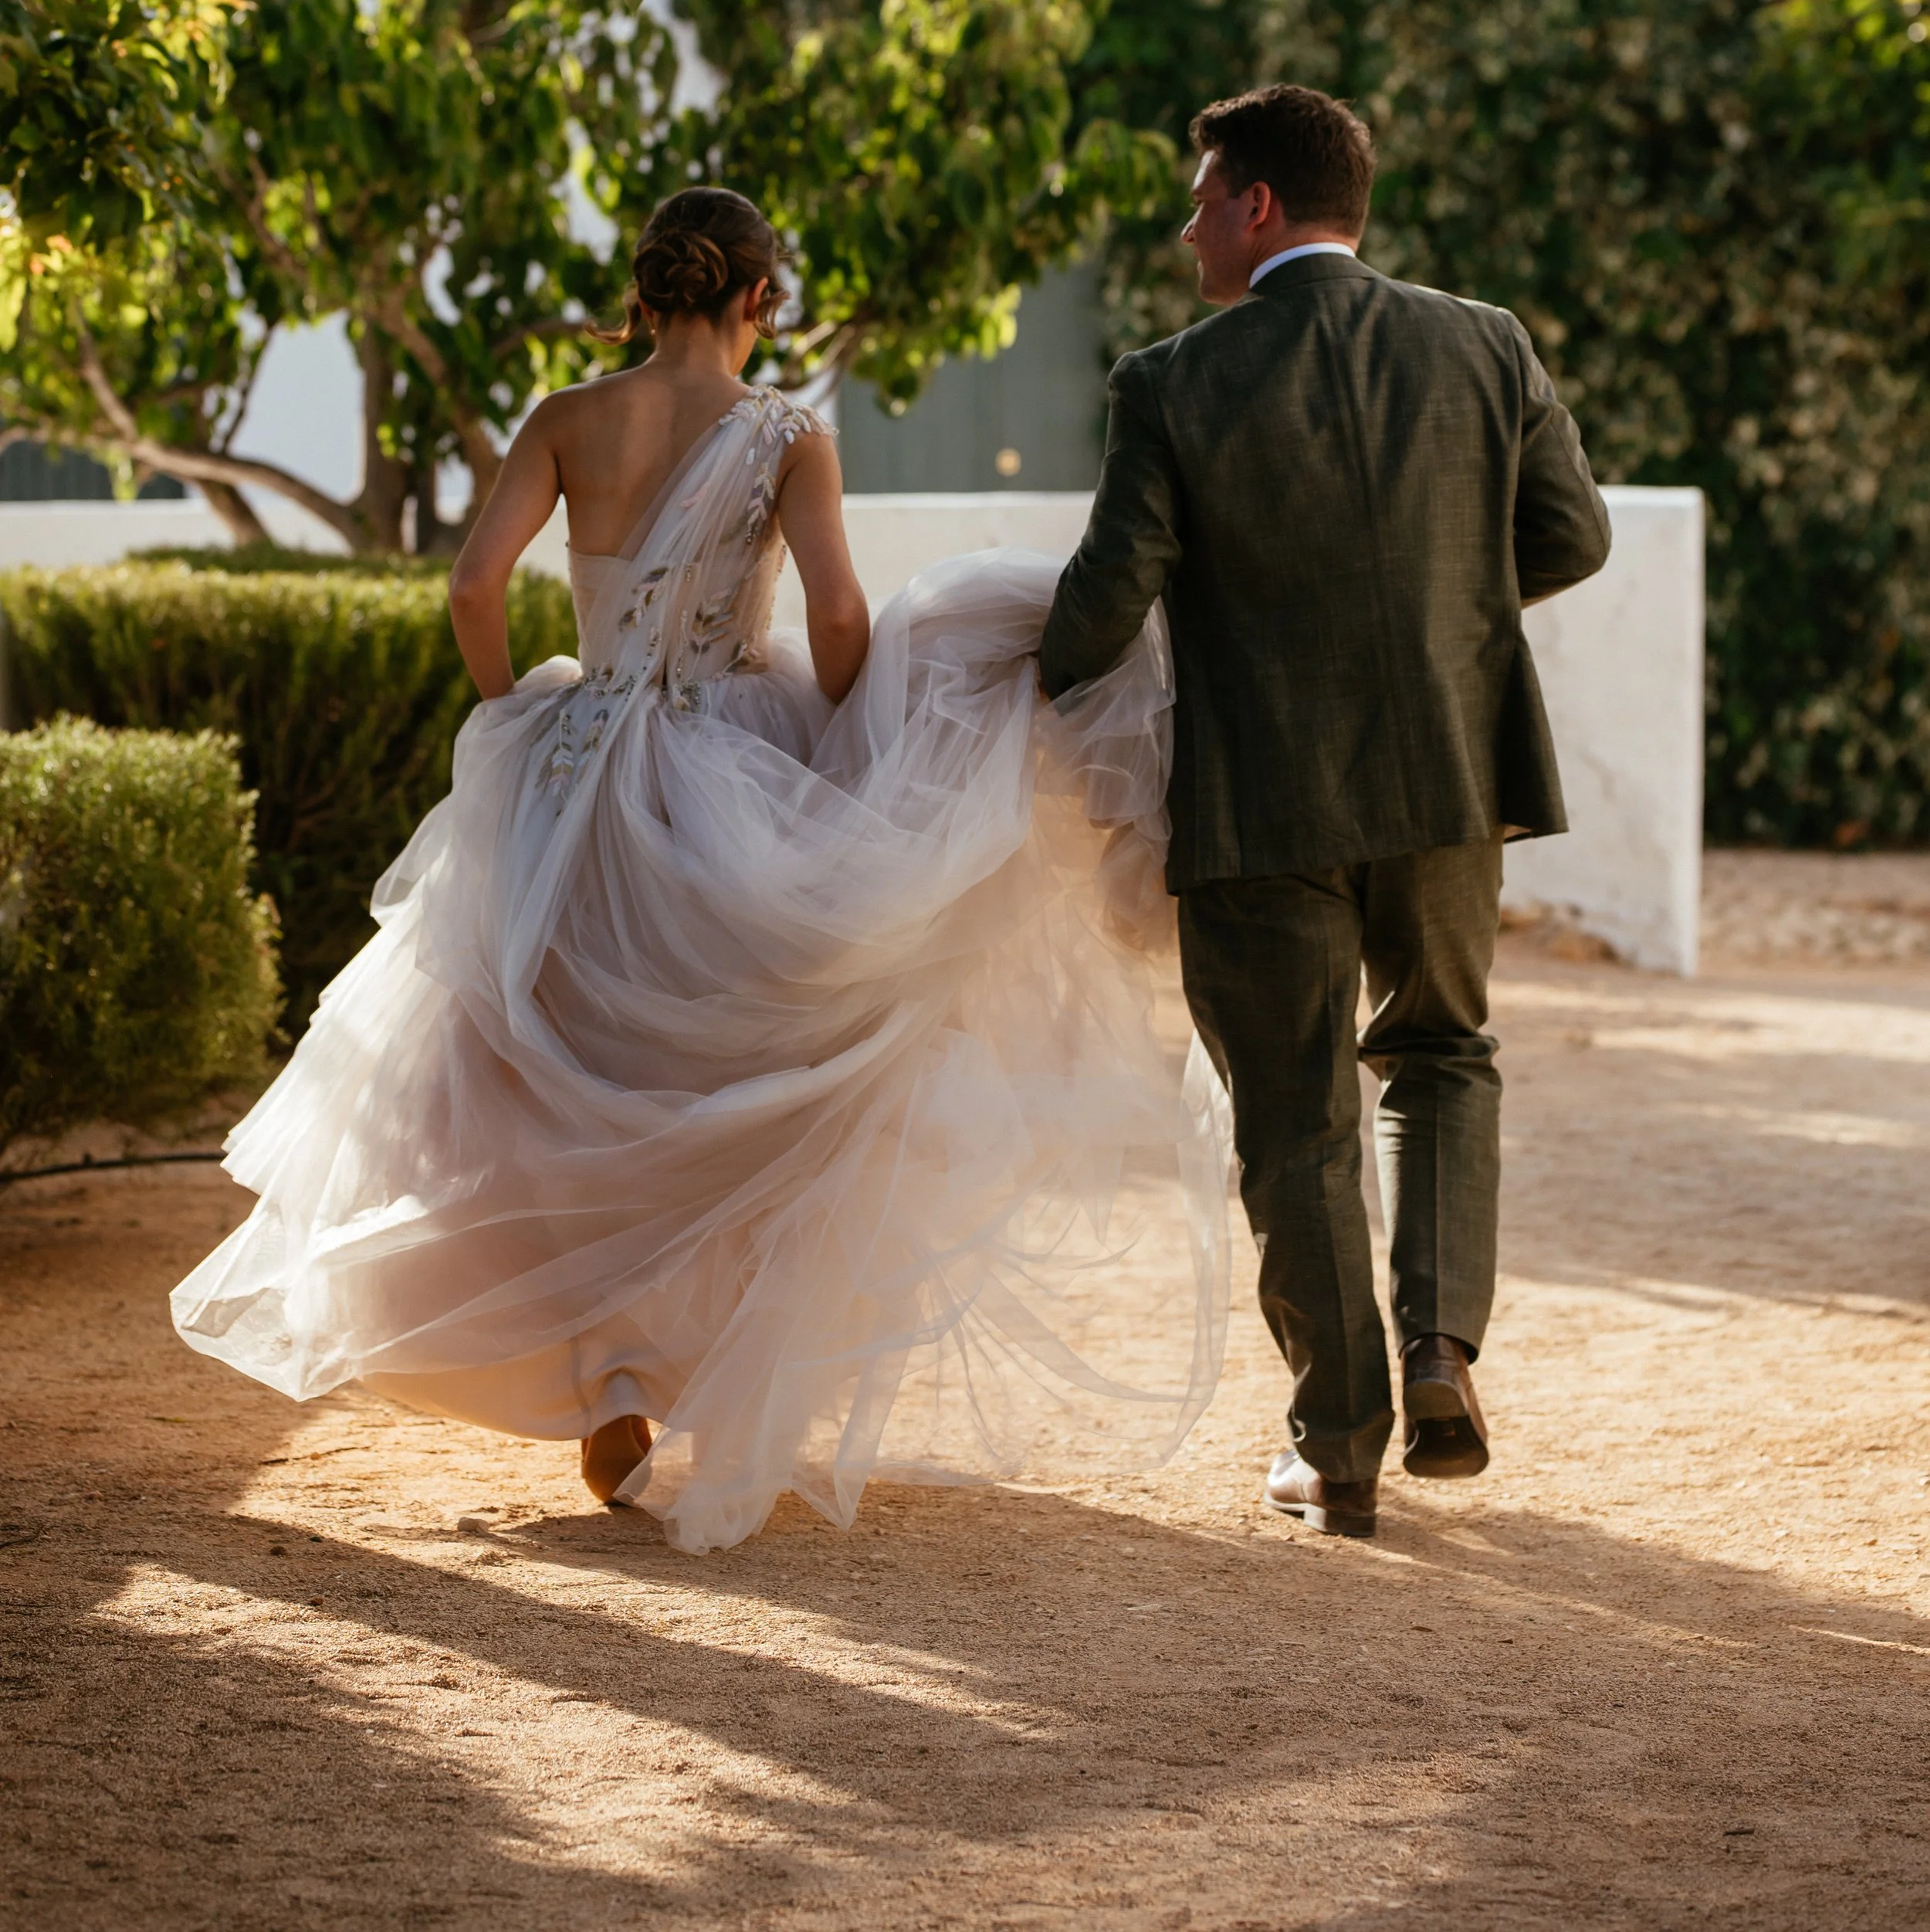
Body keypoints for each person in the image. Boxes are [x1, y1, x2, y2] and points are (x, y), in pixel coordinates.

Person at [174, 187, 1227, 1555]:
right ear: (757, 298)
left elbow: (474, 586)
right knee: (734, 1077)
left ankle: (607, 1372)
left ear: (652, 288)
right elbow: (842, 613)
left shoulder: (564, 416)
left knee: (557, 1074)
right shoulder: (787, 436)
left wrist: (510, 715)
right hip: (731, 757)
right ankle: (677, 1368)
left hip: (569, 769)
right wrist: (860, 736)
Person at [1038, 84, 1610, 1538]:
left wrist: (1009, 685)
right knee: (1441, 1054)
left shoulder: (1171, 382)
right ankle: (1439, 1352)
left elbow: (1108, 601)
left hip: (1263, 797)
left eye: (1202, 198)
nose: (1186, 230)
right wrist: (1444, 618)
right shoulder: (1484, 342)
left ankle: (1338, 1446)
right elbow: (1573, 535)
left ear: (1260, 208)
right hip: (1449, 782)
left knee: (1293, 1120)